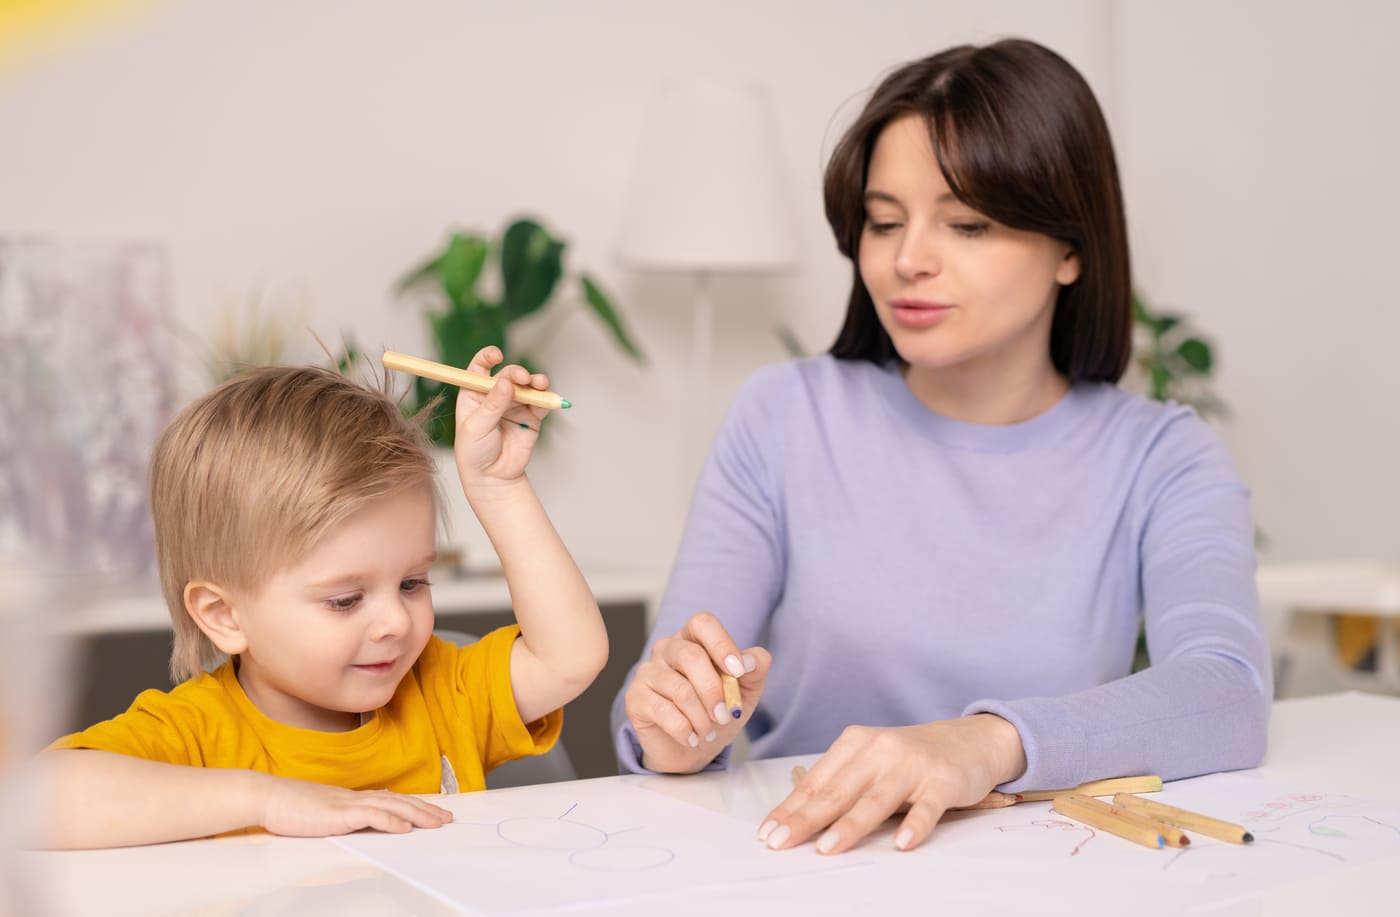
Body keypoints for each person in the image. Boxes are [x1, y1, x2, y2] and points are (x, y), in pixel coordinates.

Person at [611, 38, 1270, 856]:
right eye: (884, 221)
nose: (906, 259)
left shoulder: (1162, 455)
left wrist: (986, 743)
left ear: (1071, 249)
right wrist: (674, 727)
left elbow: (1226, 694)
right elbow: (672, 689)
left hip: (1048, 882)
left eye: (965, 223)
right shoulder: (783, 416)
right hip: (808, 869)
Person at [39, 346, 608, 848]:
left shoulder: (440, 691)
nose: (394, 622)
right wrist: (265, 800)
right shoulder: (196, 733)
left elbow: (570, 658)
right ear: (224, 615)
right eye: (345, 600)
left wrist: (499, 488)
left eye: (412, 583)